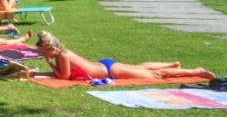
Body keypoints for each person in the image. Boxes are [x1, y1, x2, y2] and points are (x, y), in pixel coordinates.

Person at [29, 30, 215, 82]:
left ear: (50, 49)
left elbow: (64, 77)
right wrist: (38, 73)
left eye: (44, 52)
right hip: (106, 66)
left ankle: (195, 71)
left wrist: (49, 65)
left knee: (154, 76)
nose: (44, 55)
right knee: (141, 67)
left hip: (110, 71)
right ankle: (172, 64)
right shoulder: (64, 52)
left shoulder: (62, 56)